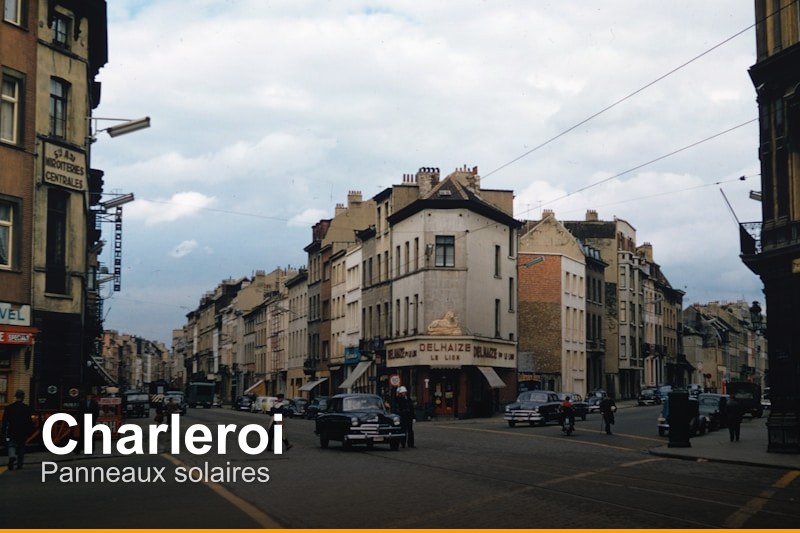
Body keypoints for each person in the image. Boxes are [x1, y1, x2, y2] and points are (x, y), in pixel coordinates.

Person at [2, 390, 35, 470]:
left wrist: (3, 430)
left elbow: (5, 421)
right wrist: (30, 431)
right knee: (21, 447)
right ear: (23, 397)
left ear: (15, 396)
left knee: (11, 445)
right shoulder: (26, 408)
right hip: (22, 431)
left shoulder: (9, 408)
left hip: (12, 430)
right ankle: (19, 464)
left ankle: (12, 456)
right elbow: (29, 421)